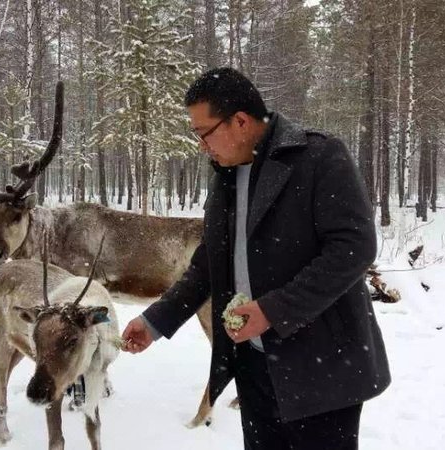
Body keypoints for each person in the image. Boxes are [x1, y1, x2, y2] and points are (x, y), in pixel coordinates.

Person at [121, 67, 390, 450]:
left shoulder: (318, 156)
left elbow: (354, 247)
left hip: (322, 370)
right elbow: (209, 264)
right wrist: (155, 321)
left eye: (204, 133)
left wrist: (274, 310)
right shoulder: (226, 175)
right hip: (255, 366)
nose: (202, 146)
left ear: (241, 121)